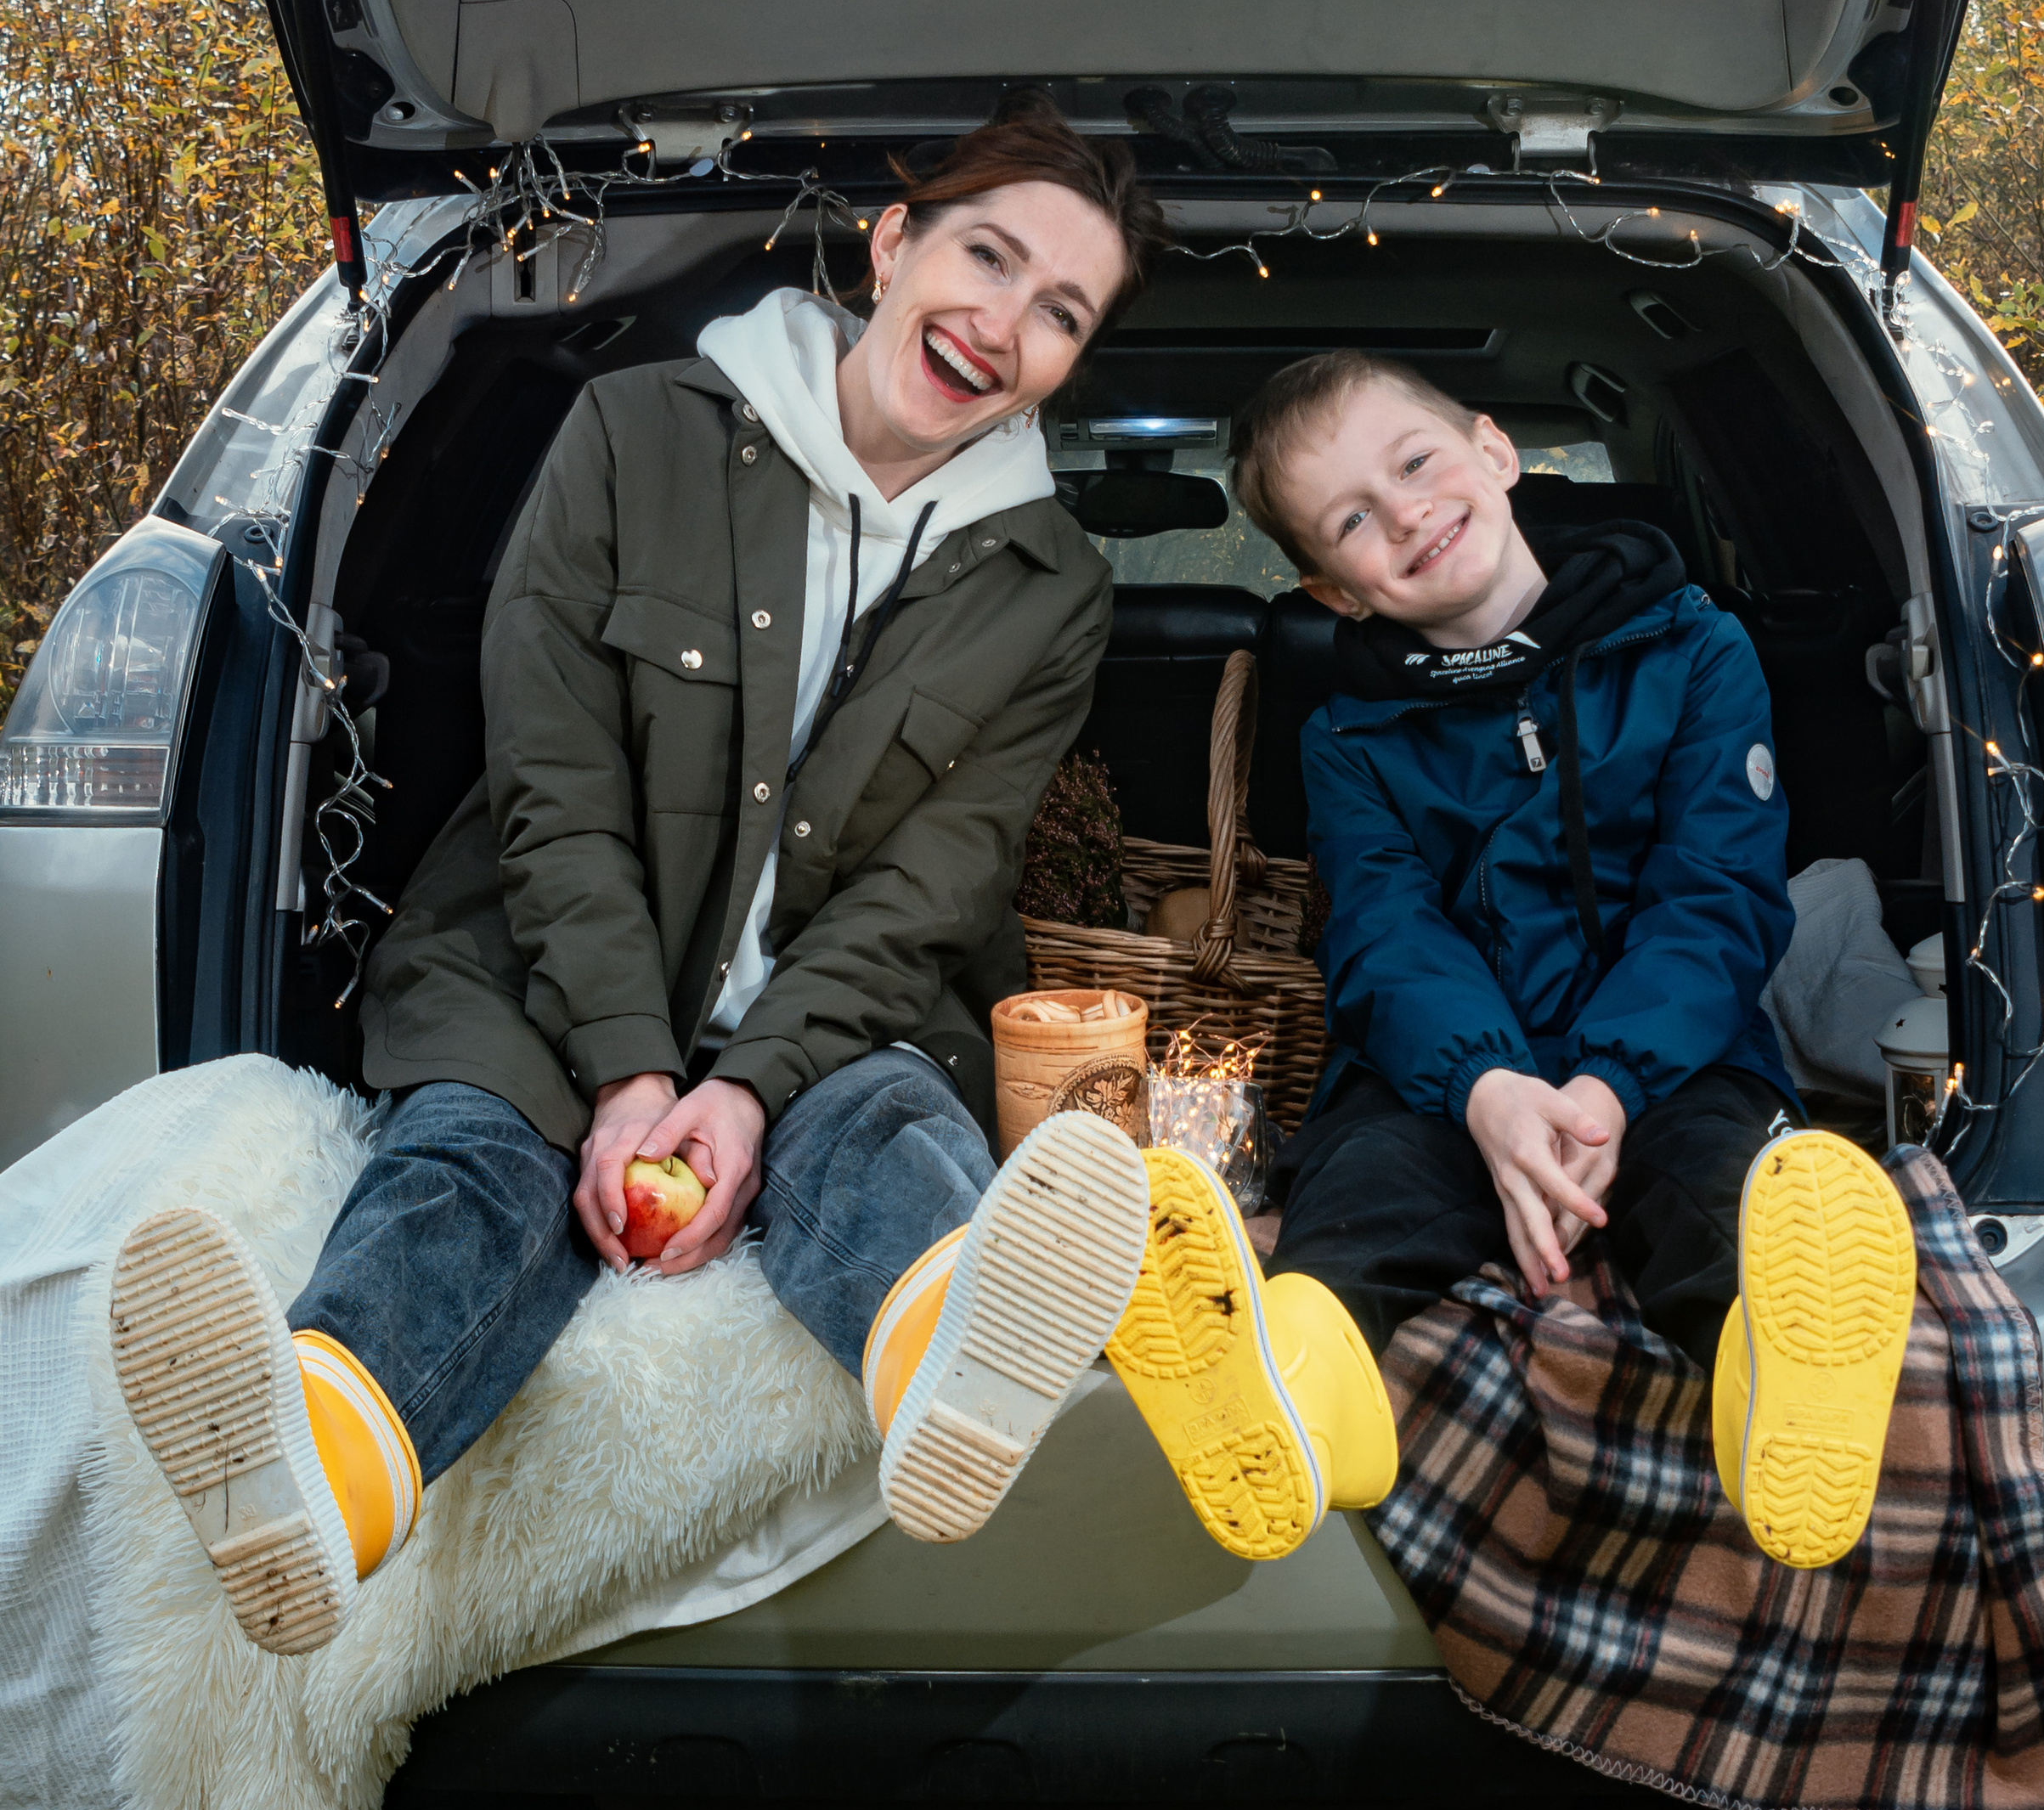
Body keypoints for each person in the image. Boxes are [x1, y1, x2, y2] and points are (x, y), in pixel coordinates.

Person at [108, 106, 1392, 1654]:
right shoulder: (634, 432)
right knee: (466, 1167)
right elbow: (555, 786)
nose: (1005, 324)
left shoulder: (1053, 585)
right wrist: (635, 1071)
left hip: (846, 1010)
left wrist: (753, 1086)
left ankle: (956, 1377)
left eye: (1063, 311)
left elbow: (933, 884)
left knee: (895, 1134)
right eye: (987, 255)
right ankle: (308, 1481)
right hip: (541, 975)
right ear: (894, 242)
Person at [1226, 351, 1918, 1574]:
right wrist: (1489, 1088)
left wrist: (1608, 1084)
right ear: (1333, 593)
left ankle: (1782, 1393)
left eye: (1418, 463)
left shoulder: (1699, 651)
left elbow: (1716, 896)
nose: (1408, 515)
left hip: (1672, 1059)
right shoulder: (1347, 737)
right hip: (1445, 1081)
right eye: (1353, 521)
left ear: (1495, 451)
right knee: (1357, 1200)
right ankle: (1294, 1407)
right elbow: (1385, 931)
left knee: (1723, 1190)